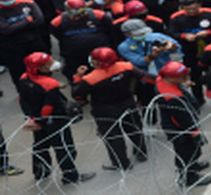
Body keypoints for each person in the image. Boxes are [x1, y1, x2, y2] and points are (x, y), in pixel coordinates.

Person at [18, 52, 95, 185]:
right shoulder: (50, 84)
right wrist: (43, 120)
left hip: (35, 117)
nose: (52, 64)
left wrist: (32, 118)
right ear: (41, 68)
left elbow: (22, 100)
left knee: (40, 146)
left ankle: (40, 172)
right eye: (49, 63)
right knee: (64, 147)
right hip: (55, 120)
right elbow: (48, 106)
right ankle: (70, 176)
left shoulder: (24, 78)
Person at [70, 46, 147, 171]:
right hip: (128, 103)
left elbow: (77, 94)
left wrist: (77, 77)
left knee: (113, 137)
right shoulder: (126, 66)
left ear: (96, 62)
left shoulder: (90, 78)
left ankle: (121, 163)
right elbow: (143, 77)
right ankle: (142, 153)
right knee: (135, 129)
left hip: (104, 110)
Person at [155, 61, 211, 187]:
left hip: (178, 123)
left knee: (190, 151)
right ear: (171, 77)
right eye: (182, 77)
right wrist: (195, 133)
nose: (186, 79)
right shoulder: (172, 98)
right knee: (187, 152)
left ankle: (193, 165)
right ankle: (189, 178)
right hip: (180, 129)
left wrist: (183, 84)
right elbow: (183, 119)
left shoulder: (162, 80)